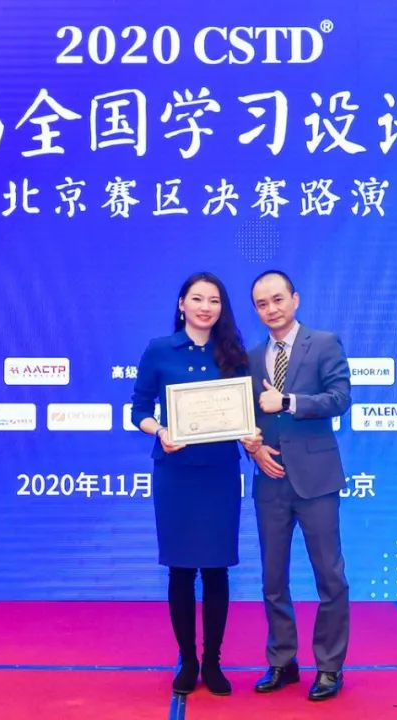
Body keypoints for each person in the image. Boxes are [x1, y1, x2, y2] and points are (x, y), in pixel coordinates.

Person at [131, 271, 259, 696]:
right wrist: (159, 430)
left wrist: (250, 434)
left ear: (223, 309)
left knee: (217, 568)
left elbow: (244, 412)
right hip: (176, 473)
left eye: (215, 300)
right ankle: (188, 661)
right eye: (198, 298)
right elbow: (138, 409)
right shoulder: (160, 350)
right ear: (181, 304)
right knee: (181, 569)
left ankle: (214, 662)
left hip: (219, 471)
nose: (206, 307)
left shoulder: (234, 353)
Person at [246, 270, 352, 701]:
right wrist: (252, 447)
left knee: (330, 576)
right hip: (269, 480)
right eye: (262, 304)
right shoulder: (252, 357)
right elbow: (245, 416)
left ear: (295, 299)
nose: (271, 309)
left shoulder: (324, 343)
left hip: (317, 480)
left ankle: (329, 667)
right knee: (273, 578)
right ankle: (282, 660)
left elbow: (340, 399)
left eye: (277, 299)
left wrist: (288, 401)